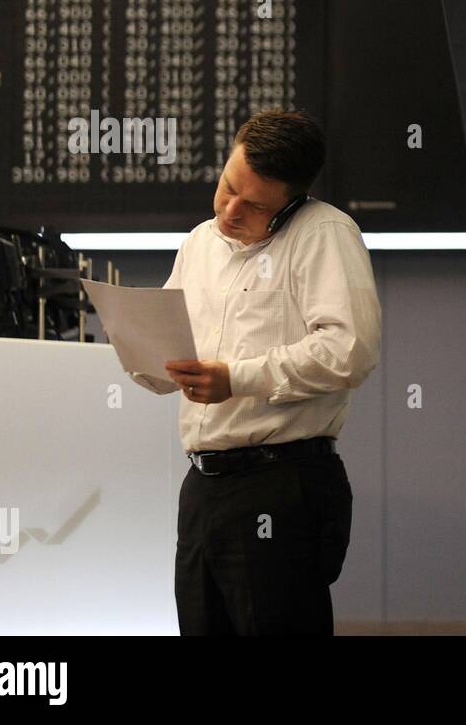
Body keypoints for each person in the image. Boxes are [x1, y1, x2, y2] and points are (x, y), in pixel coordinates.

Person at [130, 109, 382, 635]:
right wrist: (143, 353)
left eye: (255, 205)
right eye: (227, 188)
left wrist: (236, 379)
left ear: (292, 203)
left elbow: (350, 349)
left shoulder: (325, 233)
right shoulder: (199, 244)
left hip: (281, 484)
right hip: (202, 486)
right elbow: (169, 352)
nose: (229, 212)